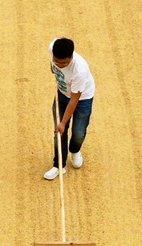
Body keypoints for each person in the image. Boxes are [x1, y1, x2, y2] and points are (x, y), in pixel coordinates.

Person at [44, 38, 95, 180]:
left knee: (78, 132)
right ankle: (59, 165)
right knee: (59, 132)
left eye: (64, 63)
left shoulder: (80, 71)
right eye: (57, 61)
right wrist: (54, 67)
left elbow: (74, 100)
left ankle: (75, 150)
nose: (60, 65)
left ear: (71, 57)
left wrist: (63, 122)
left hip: (81, 98)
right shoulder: (52, 47)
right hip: (62, 92)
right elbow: (53, 67)